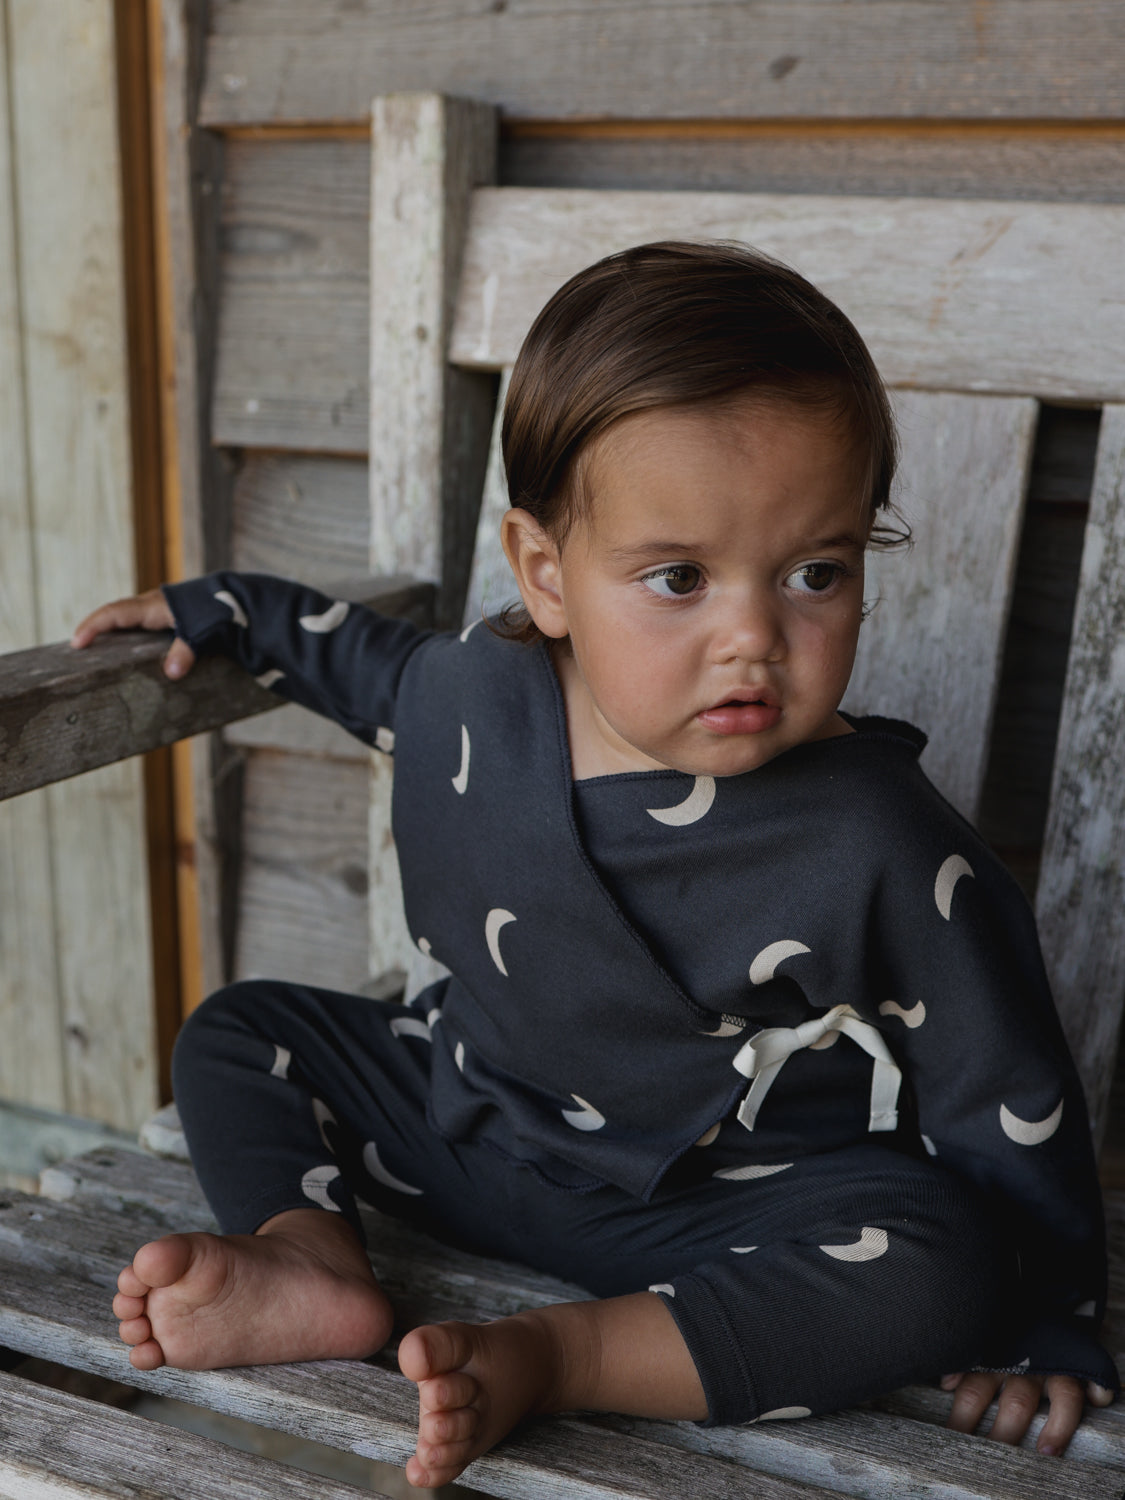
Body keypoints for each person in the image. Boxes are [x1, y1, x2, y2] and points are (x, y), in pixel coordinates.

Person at [73, 242, 1117, 1487]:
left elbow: (1005, 1087)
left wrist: (1051, 1318)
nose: (754, 638)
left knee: (941, 1260)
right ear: (545, 575)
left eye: (816, 573)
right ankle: (313, 1259)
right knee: (243, 1031)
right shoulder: (476, 700)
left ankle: (562, 1358)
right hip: (465, 1124)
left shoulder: (878, 842)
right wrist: (229, 613)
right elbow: (360, 664)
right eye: (678, 578)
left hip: (732, 1206)